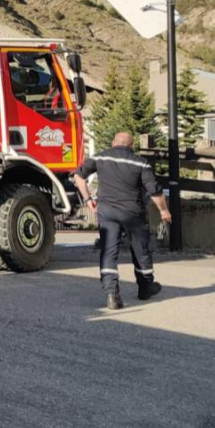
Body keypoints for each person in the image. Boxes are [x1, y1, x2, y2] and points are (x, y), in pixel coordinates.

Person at [72, 132, 173, 310]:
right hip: (133, 213)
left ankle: (112, 294)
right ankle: (145, 287)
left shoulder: (101, 157)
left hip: (107, 211)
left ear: (113, 142)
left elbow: (79, 177)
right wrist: (164, 211)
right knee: (141, 250)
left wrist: (88, 200)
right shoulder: (139, 162)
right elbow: (154, 190)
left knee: (108, 251)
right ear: (131, 145)